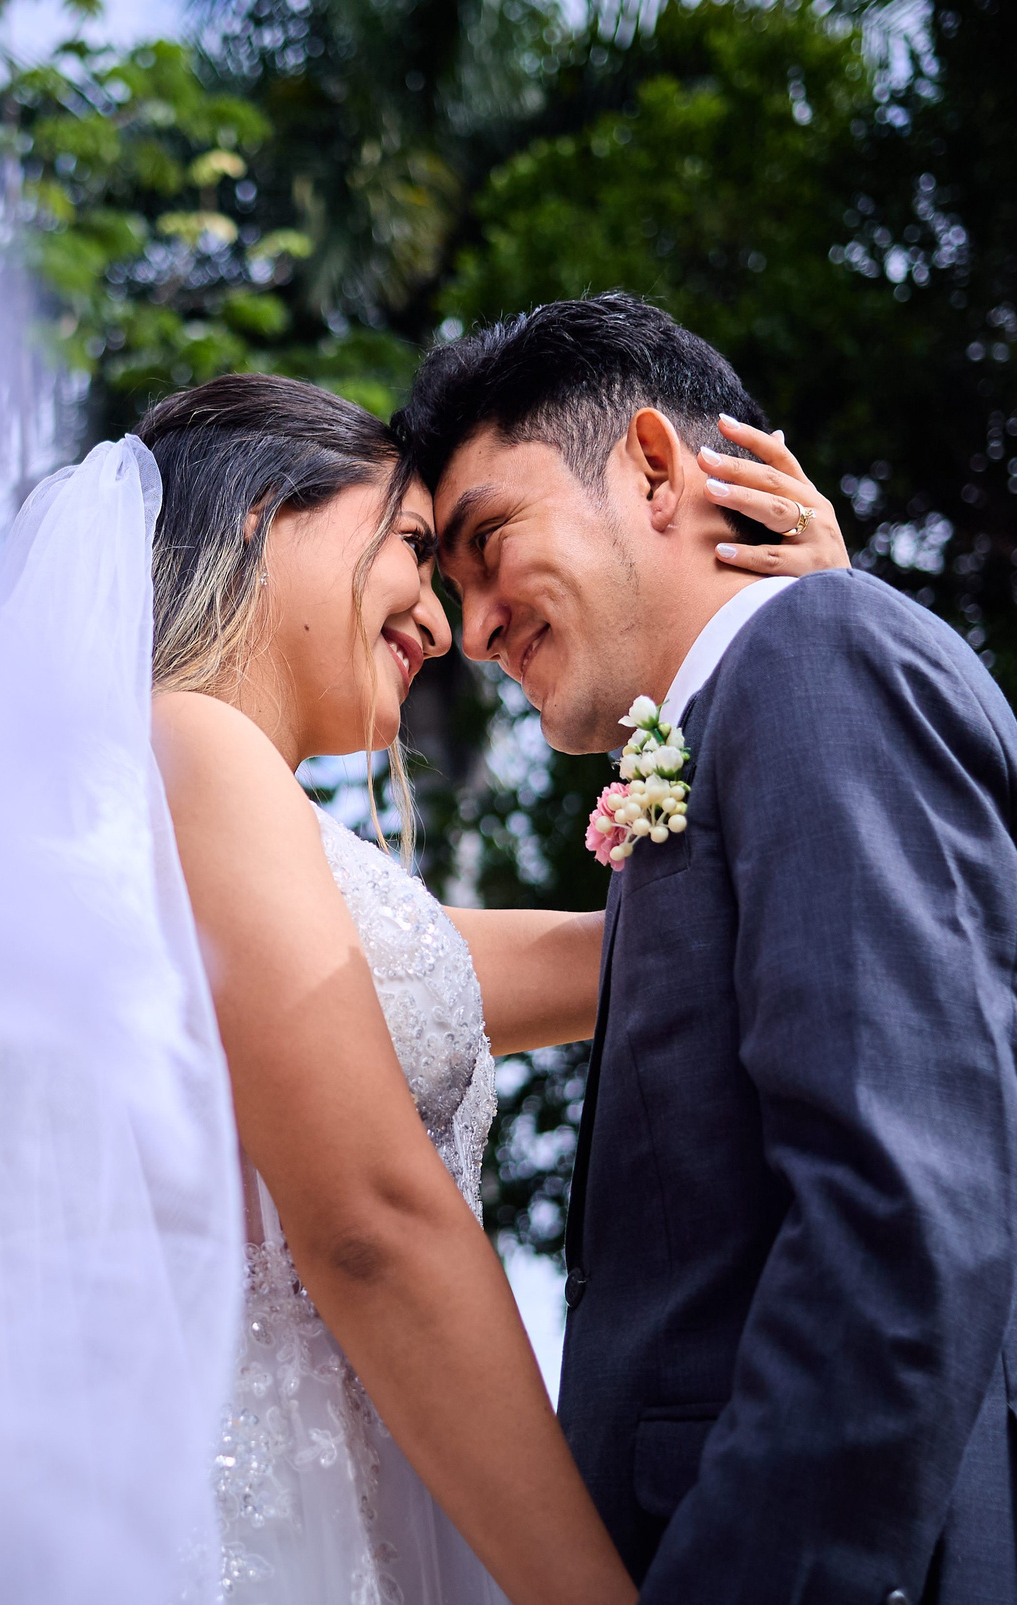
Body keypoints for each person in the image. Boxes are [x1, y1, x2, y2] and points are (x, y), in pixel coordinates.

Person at [393, 294, 1017, 1605]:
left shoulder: (813, 654)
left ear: (651, 464)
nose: (472, 632)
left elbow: (896, 1216)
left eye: (489, 545)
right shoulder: (758, 705)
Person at [133, 372, 848, 1604]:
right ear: (259, 516)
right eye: (414, 546)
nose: (448, 625)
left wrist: (808, 646)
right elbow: (373, 1222)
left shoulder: (235, 835)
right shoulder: (192, 745)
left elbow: (636, 951)